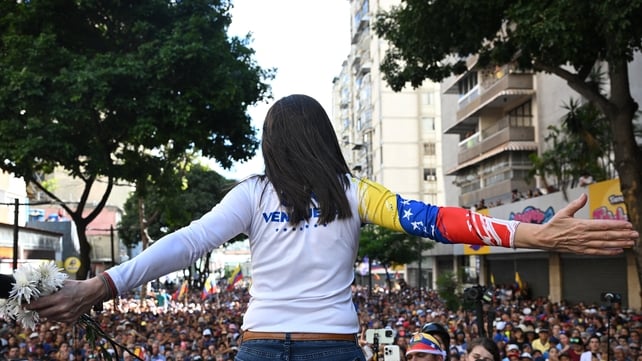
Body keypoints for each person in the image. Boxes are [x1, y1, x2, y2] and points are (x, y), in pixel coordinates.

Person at [26, 95, 638, 361]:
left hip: (259, 345)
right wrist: (535, 235)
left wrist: (99, 287)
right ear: (325, 136)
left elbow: (186, 243)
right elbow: (440, 222)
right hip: (332, 348)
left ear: (272, 143)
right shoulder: (355, 193)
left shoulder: (251, 194)